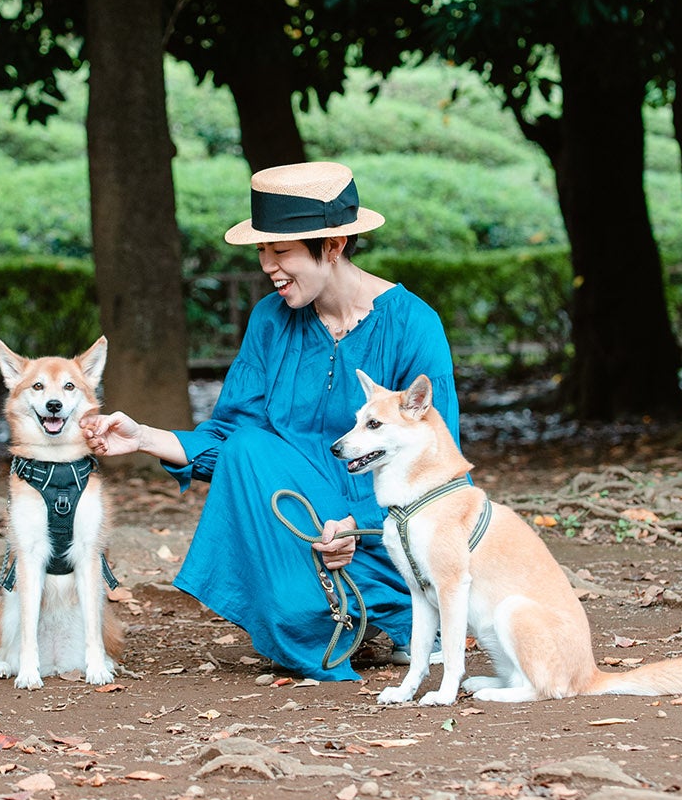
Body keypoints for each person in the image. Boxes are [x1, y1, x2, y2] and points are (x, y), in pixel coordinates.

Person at [82, 161, 460, 680]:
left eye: (280, 250)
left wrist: (356, 523)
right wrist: (143, 437)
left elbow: (440, 469)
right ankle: (328, 620)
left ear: (333, 245)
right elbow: (235, 442)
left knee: (264, 459)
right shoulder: (270, 320)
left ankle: (399, 620)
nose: (267, 265)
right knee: (248, 448)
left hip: (380, 530)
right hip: (296, 529)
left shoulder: (414, 324)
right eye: (262, 250)